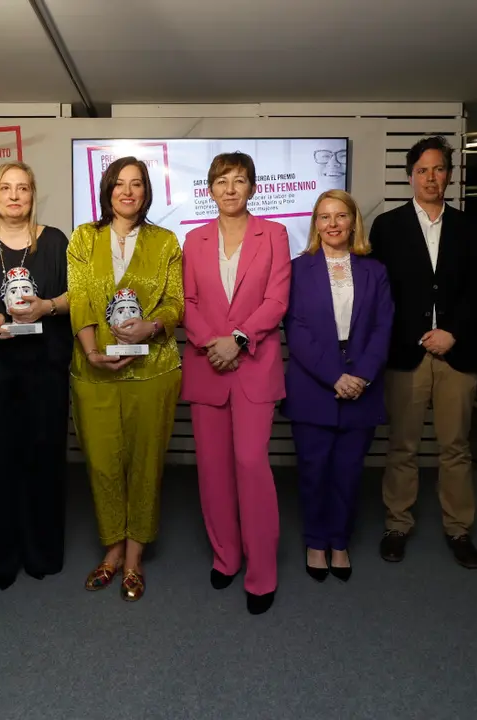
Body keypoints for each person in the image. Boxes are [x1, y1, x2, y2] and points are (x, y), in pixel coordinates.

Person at [68, 156, 183, 602]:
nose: (128, 191)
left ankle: (134, 556)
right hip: (93, 369)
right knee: (102, 463)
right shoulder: (84, 237)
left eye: (137, 184)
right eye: (119, 183)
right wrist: (91, 352)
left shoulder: (165, 241)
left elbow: (175, 302)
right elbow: (80, 298)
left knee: (146, 462)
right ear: (107, 190)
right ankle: (112, 548)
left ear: (146, 191)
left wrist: (151, 326)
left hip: (152, 370)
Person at [181, 151, 290, 615]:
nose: (230, 188)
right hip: (208, 364)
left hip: (254, 366)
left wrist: (238, 340)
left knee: (250, 463)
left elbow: (277, 300)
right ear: (210, 189)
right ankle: (226, 557)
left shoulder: (275, 234)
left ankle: (262, 573)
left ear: (253, 188)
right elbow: (187, 302)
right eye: (222, 180)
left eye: (239, 180)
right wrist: (214, 344)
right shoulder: (194, 239)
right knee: (213, 469)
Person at [370, 136, 477, 569]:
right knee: (403, 445)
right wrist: (419, 334)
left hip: (456, 352)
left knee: (456, 447)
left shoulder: (470, 228)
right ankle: (397, 524)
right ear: (410, 176)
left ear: (449, 176)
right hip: (407, 353)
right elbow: (381, 294)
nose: (431, 177)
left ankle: (459, 529)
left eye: (439, 169)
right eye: (423, 170)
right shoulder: (388, 227)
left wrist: (452, 332)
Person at [0, 161, 71, 589]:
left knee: (43, 459)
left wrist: (47, 306)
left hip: (44, 369)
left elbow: (77, 295)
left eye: (22, 188)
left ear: (32, 194)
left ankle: (41, 553)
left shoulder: (54, 241)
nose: (14, 196)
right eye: (6, 188)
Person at [282, 190, 393, 586]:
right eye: (324, 216)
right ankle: (316, 542)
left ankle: (339, 541)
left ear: (352, 222)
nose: (332, 224)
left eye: (340, 216)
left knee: (348, 471)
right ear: (316, 224)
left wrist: (361, 375)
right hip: (314, 384)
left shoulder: (374, 270)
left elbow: (383, 327)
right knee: (314, 471)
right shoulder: (297, 270)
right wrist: (334, 376)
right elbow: (296, 329)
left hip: (363, 384)